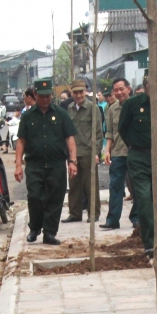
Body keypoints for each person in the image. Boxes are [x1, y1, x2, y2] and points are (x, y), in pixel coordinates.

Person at [15, 78, 77, 246]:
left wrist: (72, 161)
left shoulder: (61, 113)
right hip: (34, 165)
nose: (44, 100)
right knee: (35, 196)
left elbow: (69, 138)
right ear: (35, 94)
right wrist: (18, 165)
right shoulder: (28, 116)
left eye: (48, 96)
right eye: (41, 96)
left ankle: (49, 232)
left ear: (52, 95)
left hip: (56, 164)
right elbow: (21, 141)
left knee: (55, 199)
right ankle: (35, 228)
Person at [117, 72, 157, 254]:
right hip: (138, 156)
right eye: (150, 83)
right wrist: (135, 145)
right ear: (145, 84)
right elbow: (122, 129)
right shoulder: (132, 104)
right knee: (143, 198)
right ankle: (150, 243)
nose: (154, 87)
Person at [62, 79, 103, 224]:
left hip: (88, 152)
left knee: (91, 185)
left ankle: (94, 213)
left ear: (85, 91)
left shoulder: (93, 108)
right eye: (75, 92)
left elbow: (98, 132)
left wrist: (96, 152)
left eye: (81, 92)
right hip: (74, 154)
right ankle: (74, 214)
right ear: (72, 93)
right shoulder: (70, 108)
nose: (78, 95)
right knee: (74, 185)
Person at [101, 78, 132, 230]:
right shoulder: (112, 109)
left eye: (121, 89)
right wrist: (107, 150)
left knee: (137, 188)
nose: (119, 92)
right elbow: (110, 132)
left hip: (135, 153)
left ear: (128, 89)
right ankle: (113, 219)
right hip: (118, 153)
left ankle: (137, 218)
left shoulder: (136, 106)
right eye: (116, 90)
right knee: (115, 186)